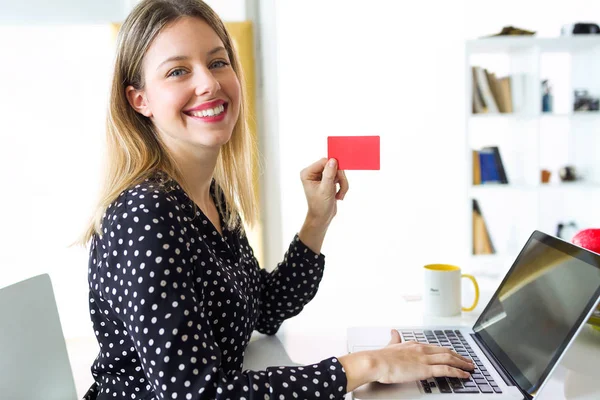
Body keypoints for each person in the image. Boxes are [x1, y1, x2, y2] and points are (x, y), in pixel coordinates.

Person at [80, 0, 474, 398]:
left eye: (218, 62)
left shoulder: (208, 195)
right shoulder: (146, 213)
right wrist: (365, 365)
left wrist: (316, 220)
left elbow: (263, 308)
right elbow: (198, 394)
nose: (209, 83)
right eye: (178, 71)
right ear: (139, 100)